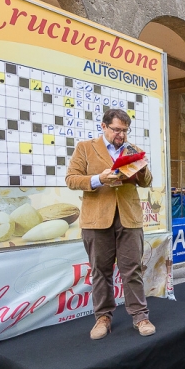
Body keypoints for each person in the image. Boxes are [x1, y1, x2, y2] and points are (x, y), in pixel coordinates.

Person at [66, 109, 156, 340]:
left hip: (129, 217)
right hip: (96, 220)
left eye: (125, 130)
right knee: (100, 272)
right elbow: (71, 179)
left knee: (132, 269)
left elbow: (146, 182)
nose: (121, 135)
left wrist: (142, 167)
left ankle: (140, 316)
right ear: (104, 126)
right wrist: (99, 179)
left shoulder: (132, 149)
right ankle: (103, 317)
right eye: (116, 129)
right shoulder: (85, 148)